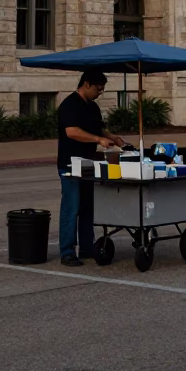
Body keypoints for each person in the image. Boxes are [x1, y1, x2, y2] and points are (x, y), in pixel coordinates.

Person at [57, 68, 124, 266]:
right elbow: (72, 131)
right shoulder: (69, 105)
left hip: (88, 164)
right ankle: (67, 251)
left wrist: (113, 137)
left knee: (88, 208)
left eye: (102, 90)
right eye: (98, 89)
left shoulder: (92, 106)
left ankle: (87, 248)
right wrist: (97, 139)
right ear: (86, 84)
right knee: (72, 207)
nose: (99, 92)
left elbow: (99, 127)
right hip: (70, 164)